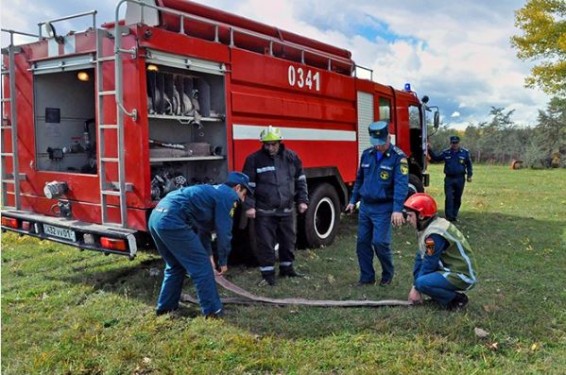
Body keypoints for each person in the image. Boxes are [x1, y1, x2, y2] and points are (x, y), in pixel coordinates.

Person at [148, 171, 253, 317]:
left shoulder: (212, 192)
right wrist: (223, 261)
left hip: (156, 216)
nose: (243, 198)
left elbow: (203, 230)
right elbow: (224, 232)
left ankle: (165, 308)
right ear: (237, 188)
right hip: (173, 219)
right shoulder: (229, 196)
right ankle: (213, 311)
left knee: (175, 265)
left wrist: (210, 256)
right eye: (244, 193)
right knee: (202, 268)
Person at [243, 125, 309, 286]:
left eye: (273, 144)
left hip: (286, 210)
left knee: (288, 241)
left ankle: (287, 269)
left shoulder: (291, 157)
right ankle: (268, 275)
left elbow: (300, 180)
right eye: (267, 144)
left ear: (280, 142)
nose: (270, 147)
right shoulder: (254, 159)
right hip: (264, 211)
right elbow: (248, 185)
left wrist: (302, 200)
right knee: (266, 243)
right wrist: (249, 206)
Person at [345, 120, 409, 286]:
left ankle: (387, 274)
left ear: (388, 137)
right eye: (376, 143)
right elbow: (359, 180)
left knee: (380, 243)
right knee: (362, 243)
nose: (378, 146)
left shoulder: (398, 158)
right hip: (366, 206)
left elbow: (401, 185)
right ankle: (367, 277)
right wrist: (353, 200)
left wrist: (397, 209)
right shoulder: (367, 154)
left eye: (381, 143)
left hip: (383, 207)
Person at [404, 193, 477, 310]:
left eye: (410, 215)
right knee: (421, 281)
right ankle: (441, 296)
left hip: (462, 275)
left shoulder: (433, 236)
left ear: (421, 216)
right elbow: (420, 257)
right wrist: (415, 284)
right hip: (451, 269)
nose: (407, 219)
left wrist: (417, 287)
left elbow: (429, 263)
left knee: (423, 282)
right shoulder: (429, 227)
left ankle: (456, 300)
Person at [428, 135, 473, 222]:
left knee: (457, 197)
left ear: (459, 143)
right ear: (450, 143)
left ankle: (454, 215)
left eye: (456, 143)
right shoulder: (446, 153)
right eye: (453, 143)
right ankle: (449, 217)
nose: (454, 145)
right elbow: (436, 159)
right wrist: (429, 149)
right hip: (449, 179)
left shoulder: (464, 152)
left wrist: (470, 175)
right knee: (449, 197)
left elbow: (469, 164)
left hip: (460, 178)